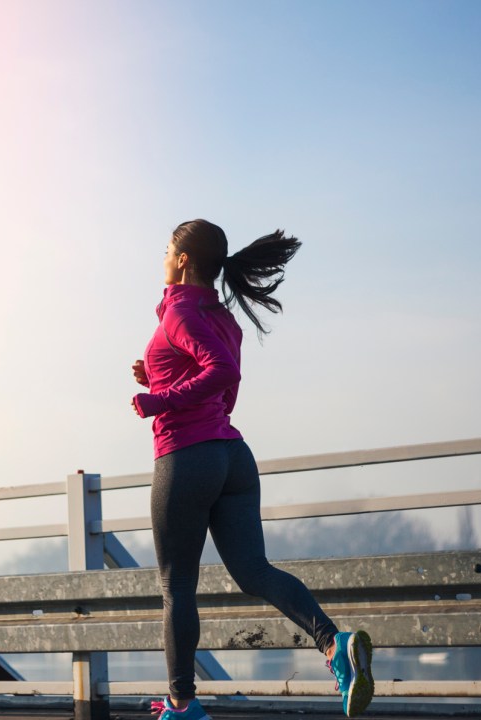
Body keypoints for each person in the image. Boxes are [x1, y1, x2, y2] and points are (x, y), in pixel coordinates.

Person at [130, 219, 374, 719]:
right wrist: (156, 372)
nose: (161, 258)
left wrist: (158, 399)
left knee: (177, 586)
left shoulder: (178, 311)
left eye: (165, 250)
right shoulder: (223, 317)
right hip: (232, 458)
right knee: (254, 571)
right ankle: (335, 644)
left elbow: (222, 372)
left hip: (186, 456)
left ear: (181, 260)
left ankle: (182, 705)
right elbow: (223, 388)